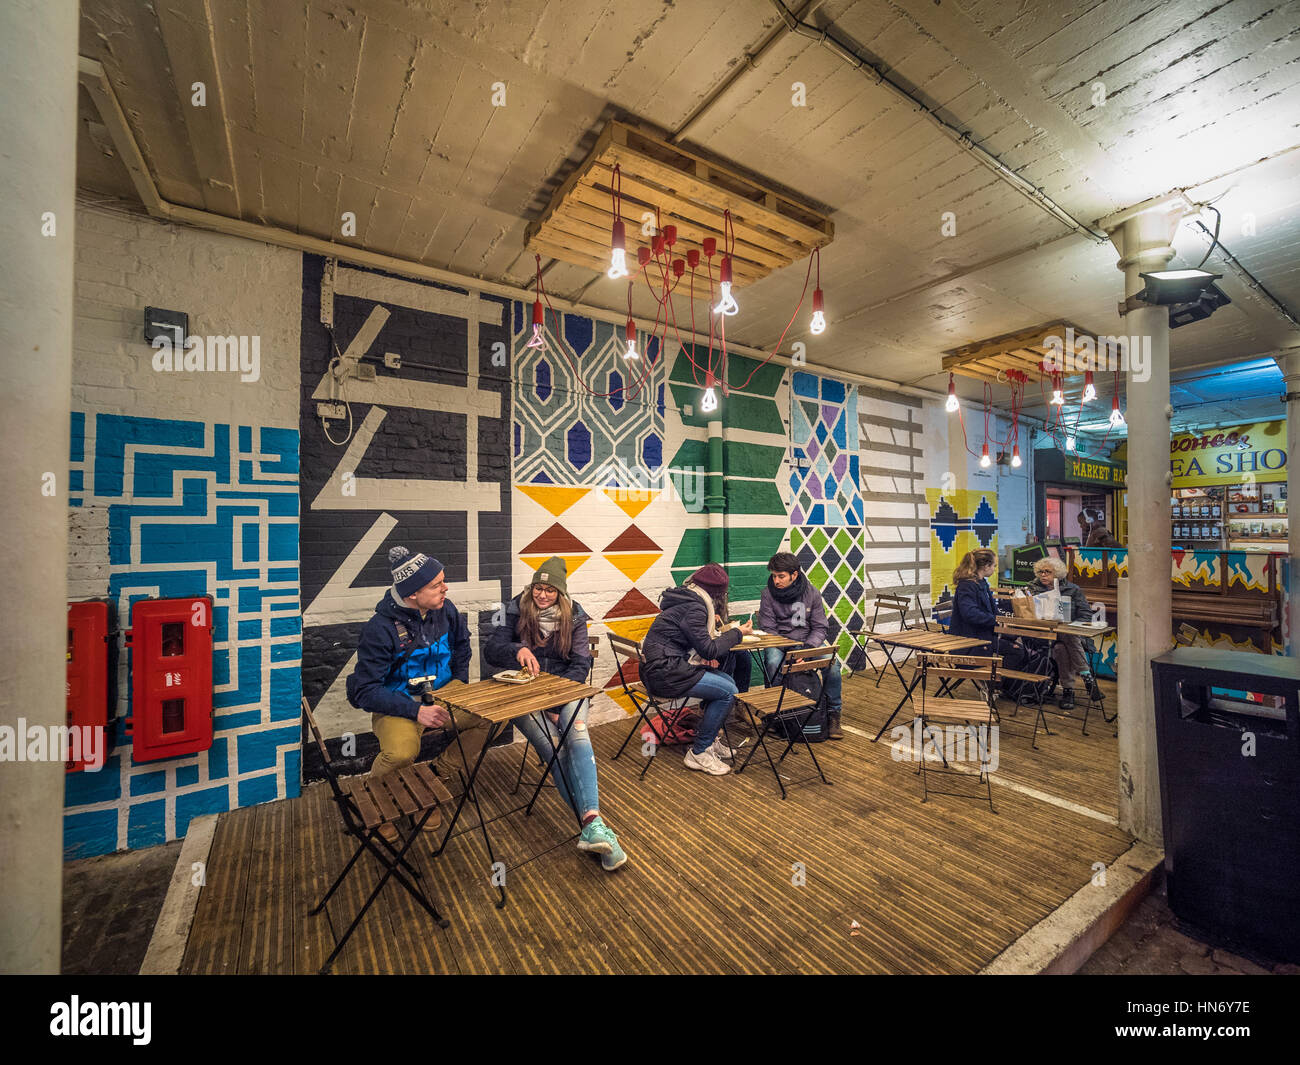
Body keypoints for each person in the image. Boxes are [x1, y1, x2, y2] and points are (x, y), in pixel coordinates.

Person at [484, 556, 626, 871]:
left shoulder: (574, 616)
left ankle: (591, 824)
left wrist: (556, 702)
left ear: (560, 593)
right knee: (552, 748)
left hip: (565, 692)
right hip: (524, 694)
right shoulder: (513, 609)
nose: (543, 595)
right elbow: (491, 651)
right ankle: (595, 827)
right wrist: (516, 650)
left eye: (550, 590)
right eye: (539, 588)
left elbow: (580, 664)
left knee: (575, 734)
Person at [346, 546, 492, 843]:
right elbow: (364, 691)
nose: (445, 588)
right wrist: (416, 712)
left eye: (443, 580)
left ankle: (436, 777)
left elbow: (462, 646)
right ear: (413, 593)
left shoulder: (445, 609)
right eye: (436, 584)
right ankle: (377, 802)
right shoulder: (380, 628)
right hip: (399, 703)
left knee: (489, 717)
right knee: (402, 753)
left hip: (443, 694)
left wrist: (458, 686)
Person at [641, 563, 752, 775]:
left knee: (728, 684)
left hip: (664, 667)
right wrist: (737, 632)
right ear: (719, 594)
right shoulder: (695, 608)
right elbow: (709, 650)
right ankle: (699, 752)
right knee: (728, 692)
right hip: (665, 673)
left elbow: (700, 643)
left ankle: (709, 740)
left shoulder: (686, 599)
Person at [757, 551, 843, 739]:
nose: (776, 580)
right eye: (774, 576)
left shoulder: (811, 593)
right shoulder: (768, 594)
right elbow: (768, 629)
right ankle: (776, 714)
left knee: (833, 665)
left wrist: (806, 649)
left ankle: (833, 714)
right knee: (772, 662)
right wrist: (789, 649)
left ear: (794, 575)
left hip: (807, 644)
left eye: (781, 576)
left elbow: (820, 627)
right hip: (779, 644)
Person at [1028, 556, 1101, 711]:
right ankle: (1087, 677)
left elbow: (1086, 614)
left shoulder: (1073, 589)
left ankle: (1068, 691)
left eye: (1047, 572)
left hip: (1069, 636)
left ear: (1058, 574)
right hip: (1043, 635)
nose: (1043, 575)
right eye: (1040, 572)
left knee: (1062, 646)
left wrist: (1071, 625)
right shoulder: (1032, 588)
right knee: (1067, 636)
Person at [948, 548, 998, 645]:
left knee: (1017, 644)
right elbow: (970, 613)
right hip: (969, 638)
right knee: (1016, 651)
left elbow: (992, 609)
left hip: (981, 633)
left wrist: (1004, 620)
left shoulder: (982, 582)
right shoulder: (967, 585)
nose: (994, 569)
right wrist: (995, 620)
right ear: (986, 566)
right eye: (994, 566)